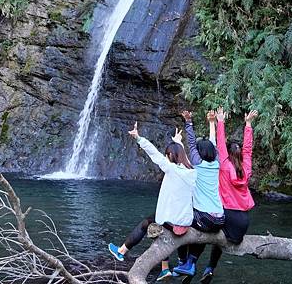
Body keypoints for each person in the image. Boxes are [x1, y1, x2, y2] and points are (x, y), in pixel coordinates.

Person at [184, 107, 258, 284]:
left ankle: (191, 262)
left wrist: (220, 122)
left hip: (228, 215)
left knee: (204, 232)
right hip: (243, 222)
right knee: (218, 238)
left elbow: (219, 143)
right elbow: (248, 150)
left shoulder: (224, 165)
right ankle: (210, 268)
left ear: (227, 154)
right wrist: (248, 125)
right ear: (240, 155)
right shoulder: (245, 168)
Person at [108, 121, 197, 262]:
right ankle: (180, 263)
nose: (166, 157)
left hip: (172, 221)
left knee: (146, 223)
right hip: (185, 221)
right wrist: (179, 143)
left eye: (167, 155)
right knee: (158, 224)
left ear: (171, 156)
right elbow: (182, 157)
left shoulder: (171, 169)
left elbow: (153, 153)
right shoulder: (192, 172)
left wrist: (138, 138)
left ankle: (121, 251)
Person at [161, 111, 224, 282]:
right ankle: (189, 263)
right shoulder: (216, 163)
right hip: (219, 219)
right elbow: (213, 143)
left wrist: (188, 122)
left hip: (204, 218)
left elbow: (191, 143)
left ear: (199, 153)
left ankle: (185, 262)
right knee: (202, 229)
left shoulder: (197, 164)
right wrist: (212, 123)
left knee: (179, 220)